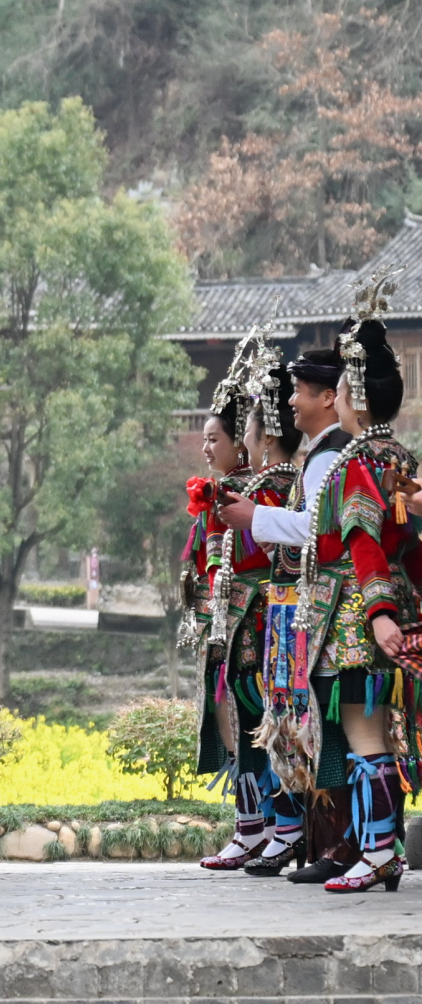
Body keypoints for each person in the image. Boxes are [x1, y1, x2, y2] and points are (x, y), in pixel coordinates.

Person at [222, 316, 415, 893]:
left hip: (356, 620)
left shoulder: (354, 462)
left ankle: (377, 851)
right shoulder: (399, 456)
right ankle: (380, 849)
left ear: (349, 398)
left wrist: (377, 613)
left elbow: (358, 540)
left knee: (365, 739)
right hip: (395, 608)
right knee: (380, 736)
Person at [185, 336, 300, 873]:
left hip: (257, 621)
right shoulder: (255, 489)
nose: (208, 449)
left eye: (218, 438)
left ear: (256, 436)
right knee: (245, 717)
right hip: (238, 621)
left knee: (258, 718)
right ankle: (257, 825)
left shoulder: (266, 490)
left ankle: (275, 825)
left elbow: (264, 555)